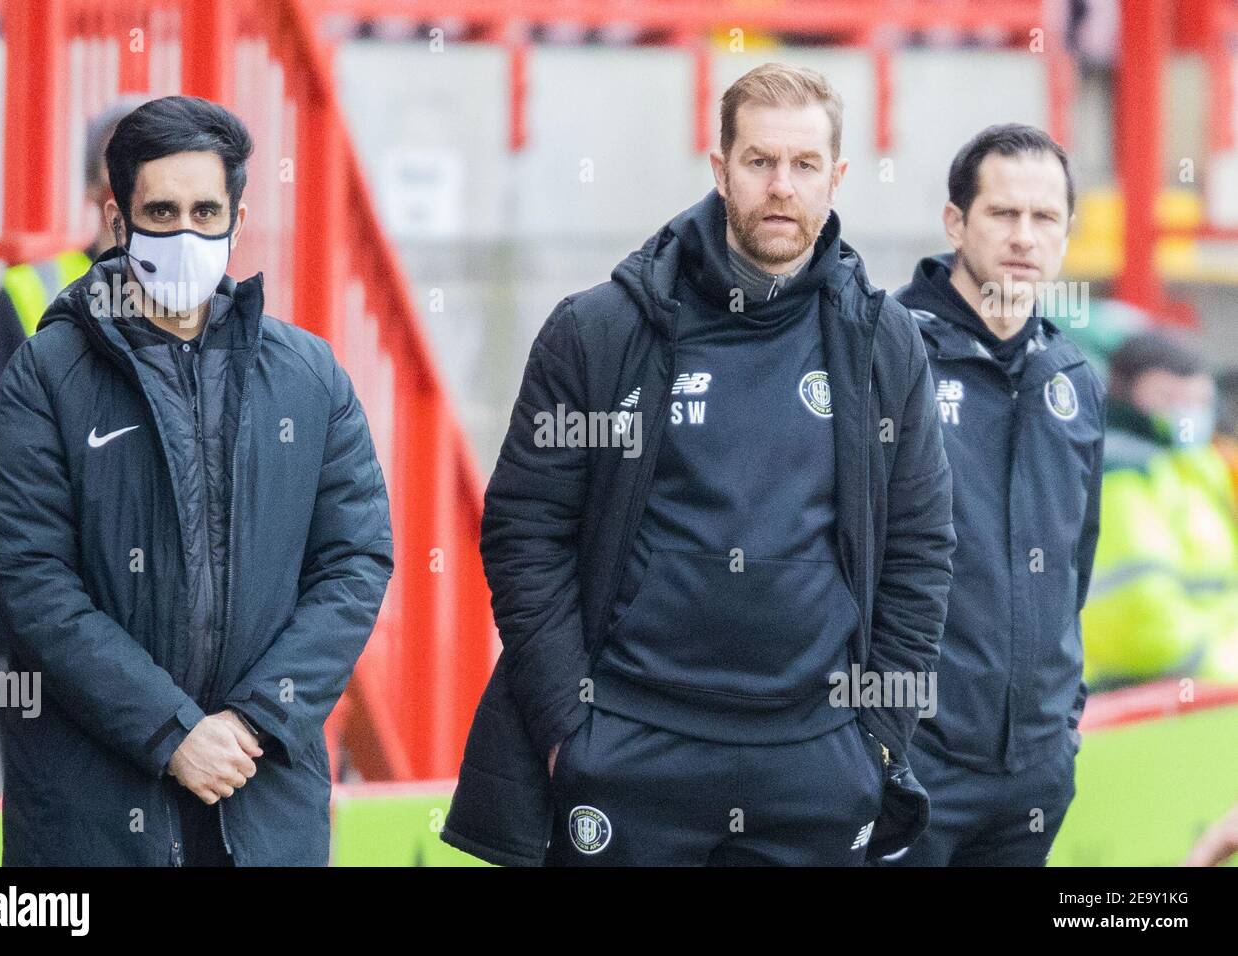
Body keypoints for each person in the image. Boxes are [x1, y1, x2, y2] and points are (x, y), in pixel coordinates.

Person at [442, 63, 955, 866]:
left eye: (805, 165)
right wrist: (567, 731)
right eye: (759, 162)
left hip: (817, 757)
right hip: (630, 748)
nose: (781, 186)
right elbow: (523, 534)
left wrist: (878, 742)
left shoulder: (883, 343)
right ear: (720, 170)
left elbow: (921, 551)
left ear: (837, 178)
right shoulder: (600, 331)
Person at [0, 95, 394, 866]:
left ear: (238, 215)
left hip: (262, 793)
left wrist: (257, 720)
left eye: (207, 210)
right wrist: (171, 732)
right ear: (118, 218)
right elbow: (30, 580)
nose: (186, 233)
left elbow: (355, 561)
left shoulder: (308, 377)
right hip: (92, 807)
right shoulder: (46, 375)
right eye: (161, 211)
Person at [886, 124, 1106, 866]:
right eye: (1001, 214)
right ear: (956, 222)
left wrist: (1061, 726)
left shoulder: (1073, 379)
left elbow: (1076, 565)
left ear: (1067, 234)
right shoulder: (882, 353)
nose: (1024, 237)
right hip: (906, 762)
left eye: (1044, 218)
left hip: (1035, 770)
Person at [0, 100, 139, 754]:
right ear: (92, 187)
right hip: (47, 660)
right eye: (123, 169)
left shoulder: (218, 314)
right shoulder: (28, 299)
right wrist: (7, 633)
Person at [1081, 332, 1238, 688]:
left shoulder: (1199, 468)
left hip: (1204, 695)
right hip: (1144, 698)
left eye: (1199, 400)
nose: (1186, 413)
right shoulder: (1118, 472)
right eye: (1168, 396)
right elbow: (1139, 625)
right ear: (1123, 393)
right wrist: (1224, 666)